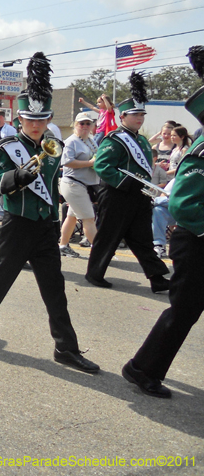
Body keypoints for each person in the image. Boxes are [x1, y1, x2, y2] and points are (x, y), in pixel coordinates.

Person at [0, 52, 100, 375]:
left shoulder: (54, 148)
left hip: (46, 225)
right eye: (30, 120)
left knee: (55, 289)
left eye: (41, 120)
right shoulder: (8, 148)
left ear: (48, 120)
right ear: (20, 119)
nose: (35, 125)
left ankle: (66, 348)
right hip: (17, 224)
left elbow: (55, 179)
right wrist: (17, 177)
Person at [122, 45, 204, 398]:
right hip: (197, 241)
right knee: (183, 312)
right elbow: (184, 204)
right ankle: (142, 368)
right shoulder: (202, 149)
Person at [83, 71, 171, 292]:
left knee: (143, 238)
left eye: (142, 115)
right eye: (135, 115)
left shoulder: (142, 140)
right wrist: (125, 182)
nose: (140, 119)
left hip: (138, 195)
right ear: (122, 117)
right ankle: (94, 274)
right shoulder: (115, 139)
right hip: (117, 194)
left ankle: (157, 278)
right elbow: (102, 166)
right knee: (108, 236)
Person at [57, 113, 99, 258]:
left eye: (88, 123)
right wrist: (90, 163)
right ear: (75, 125)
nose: (85, 126)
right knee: (89, 219)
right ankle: (100, 252)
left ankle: (63, 246)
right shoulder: (71, 141)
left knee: (71, 217)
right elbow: (67, 162)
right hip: (73, 184)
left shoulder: (91, 140)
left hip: (84, 185)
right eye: (82, 123)